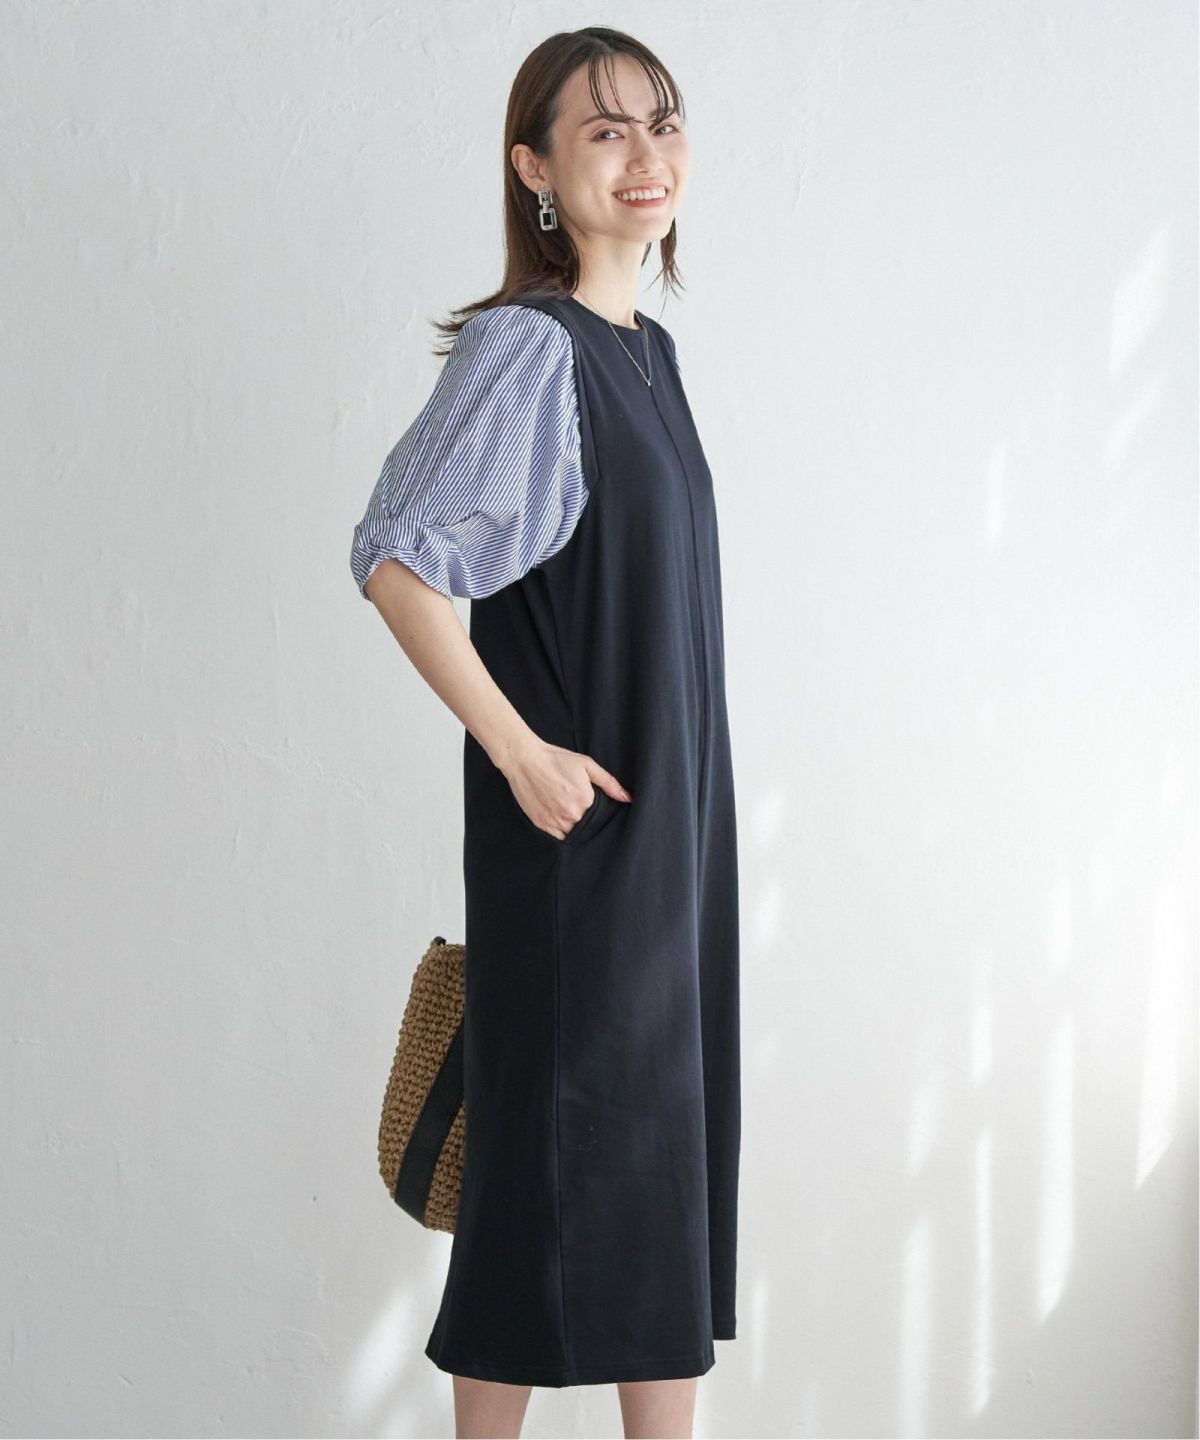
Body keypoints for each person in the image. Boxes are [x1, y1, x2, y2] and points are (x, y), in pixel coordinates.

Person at [350, 27, 740, 1440]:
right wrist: (521, 751)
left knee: (659, 1177)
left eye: (663, 124)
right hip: (579, 850)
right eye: (605, 131)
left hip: (671, 844)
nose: (647, 156)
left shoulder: (650, 357)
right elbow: (399, 562)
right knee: (540, 1182)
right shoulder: (532, 349)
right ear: (535, 169)